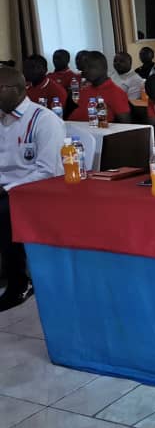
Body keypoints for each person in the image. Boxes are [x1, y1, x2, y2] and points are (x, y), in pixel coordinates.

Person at [0, 66, 65, 310]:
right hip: (7, 186)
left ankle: (20, 283)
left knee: (4, 211)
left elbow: (48, 171)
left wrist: (8, 188)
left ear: (17, 90)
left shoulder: (44, 120)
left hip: (35, 188)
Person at [67, 52, 131, 123]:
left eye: (90, 67)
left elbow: (126, 126)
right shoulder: (84, 89)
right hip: (71, 126)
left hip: (95, 129)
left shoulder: (116, 93)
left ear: (103, 68)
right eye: (84, 67)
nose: (85, 70)